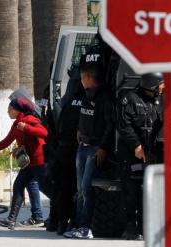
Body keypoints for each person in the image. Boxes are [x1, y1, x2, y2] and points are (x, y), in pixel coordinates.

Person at [64, 51, 115, 239]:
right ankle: (77, 225)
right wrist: (79, 129)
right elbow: (84, 115)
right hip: (83, 147)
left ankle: (86, 227)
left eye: (82, 77)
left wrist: (102, 147)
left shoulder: (104, 97)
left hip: (94, 149)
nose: (81, 80)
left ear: (87, 77)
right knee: (80, 190)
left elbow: (110, 124)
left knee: (86, 188)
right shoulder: (86, 94)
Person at [0, 97, 50, 230]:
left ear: (17, 110)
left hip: (39, 162)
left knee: (48, 189)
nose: (8, 111)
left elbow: (44, 133)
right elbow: (5, 142)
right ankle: (11, 219)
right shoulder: (16, 125)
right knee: (18, 185)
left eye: (10, 109)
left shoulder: (29, 120)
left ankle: (66, 212)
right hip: (28, 164)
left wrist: (27, 128)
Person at [117, 73, 164, 240]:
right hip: (131, 154)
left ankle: (147, 227)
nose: (162, 87)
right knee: (131, 191)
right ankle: (131, 227)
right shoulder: (129, 99)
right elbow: (124, 125)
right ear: (152, 85)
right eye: (160, 84)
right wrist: (136, 145)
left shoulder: (159, 101)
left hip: (151, 154)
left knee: (148, 191)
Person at [51, 66, 85, 235]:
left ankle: (59, 222)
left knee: (63, 188)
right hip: (75, 150)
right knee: (77, 188)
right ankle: (72, 222)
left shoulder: (67, 100)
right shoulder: (86, 100)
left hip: (62, 149)